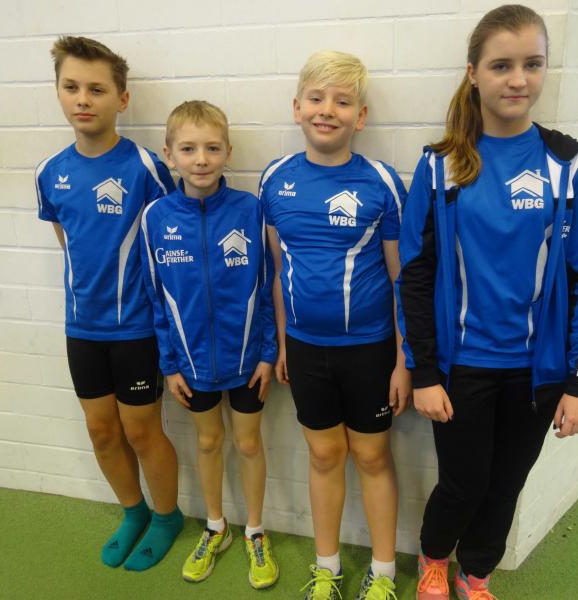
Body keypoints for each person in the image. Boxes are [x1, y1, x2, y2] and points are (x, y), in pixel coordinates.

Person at [396, 6, 578, 599]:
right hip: (462, 367)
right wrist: (424, 370)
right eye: (502, 65)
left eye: (532, 64)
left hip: (538, 372)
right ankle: (434, 560)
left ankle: (477, 574)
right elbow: (414, 275)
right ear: (474, 73)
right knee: (463, 483)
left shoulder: (570, 162)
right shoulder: (439, 166)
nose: (518, 79)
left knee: (506, 484)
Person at [260, 50, 410, 600]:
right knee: (324, 455)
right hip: (305, 348)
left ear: (360, 116)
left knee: (371, 456)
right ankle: (327, 567)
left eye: (342, 102)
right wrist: (282, 344)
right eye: (317, 99)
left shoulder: (381, 182)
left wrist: (404, 361)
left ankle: (384, 573)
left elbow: (401, 278)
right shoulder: (275, 179)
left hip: (370, 351)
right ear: (297, 108)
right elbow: (278, 271)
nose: (327, 110)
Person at [34, 36, 182, 571]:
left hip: (137, 328)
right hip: (82, 328)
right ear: (57, 92)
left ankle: (166, 517)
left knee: (141, 430)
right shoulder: (50, 171)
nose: (83, 99)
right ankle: (133, 511)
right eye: (71, 87)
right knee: (101, 430)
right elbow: (68, 242)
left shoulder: (145, 167)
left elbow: (170, 242)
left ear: (122, 98)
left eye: (96, 89)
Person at [139, 100, 279, 589]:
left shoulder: (250, 211)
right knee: (207, 441)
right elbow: (156, 297)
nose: (201, 159)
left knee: (248, 442)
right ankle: (216, 527)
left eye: (212, 148)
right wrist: (169, 364)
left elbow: (268, 285)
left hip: (248, 361)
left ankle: (255, 531)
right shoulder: (155, 218)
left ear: (228, 152)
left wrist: (268, 353)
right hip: (191, 364)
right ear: (169, 155)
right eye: (188, 149)